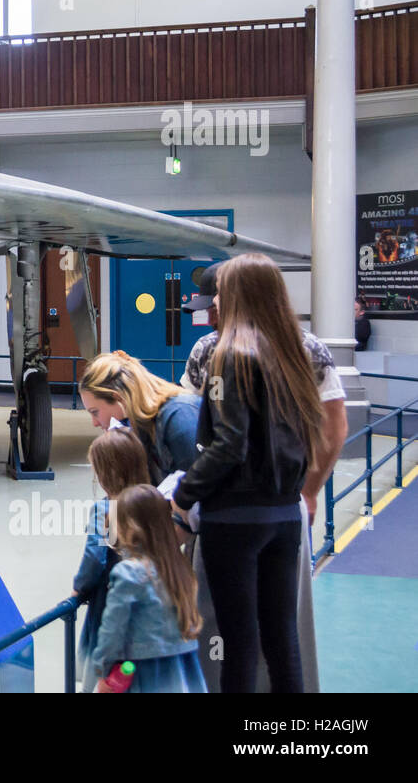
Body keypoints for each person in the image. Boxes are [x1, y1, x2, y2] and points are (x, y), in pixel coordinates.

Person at [181, 262, 349, 694]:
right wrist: (308, 493)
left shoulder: (218, 355)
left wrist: (182, 496)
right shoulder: (303, 350)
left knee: (236, 643)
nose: (213, 302)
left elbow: (222, 441)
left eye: (219, 293)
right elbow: (332, 427)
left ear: (235, 295)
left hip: (231, 516)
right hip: (285, 512)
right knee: (282, 638)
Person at [89, 485, 207, 693]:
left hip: (144, 673)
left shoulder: (128, 573)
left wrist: (102, 669)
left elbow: (113, 629)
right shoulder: (180, 568)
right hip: (183, 670)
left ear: (127, 528)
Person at [71, 428, 152, 692]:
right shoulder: (155, 502)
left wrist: (79, 587)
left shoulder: (104, 510)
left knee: (106, 669)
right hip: (148, 605)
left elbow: (94, 557)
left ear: (105, 475)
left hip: (110, 603)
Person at [79, 351, 202, 483]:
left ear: (118, 398)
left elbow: (197, 488)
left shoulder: (179, 416)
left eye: (95, 412)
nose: (95, 423)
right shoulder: (142, 426)